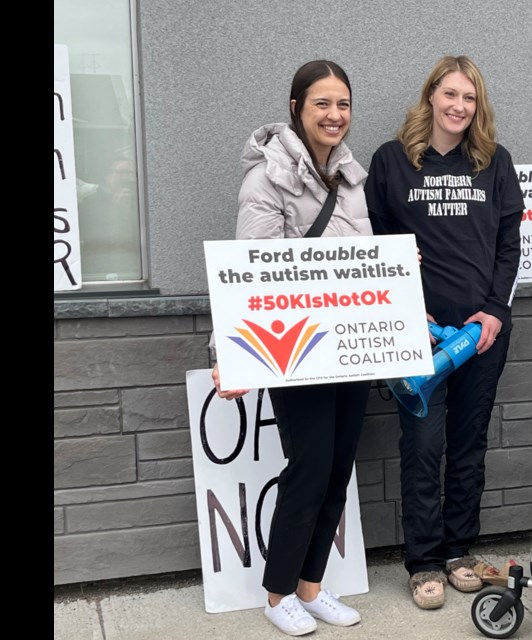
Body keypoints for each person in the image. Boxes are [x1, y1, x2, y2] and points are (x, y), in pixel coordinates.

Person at [210, 60, 370, 636]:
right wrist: (227, 352)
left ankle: (313, 586)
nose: (335, 115)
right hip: (296, 348)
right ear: (297, 107)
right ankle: (279, 594)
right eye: (323, 103)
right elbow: (248, 275)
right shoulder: (267, 179)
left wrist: (396, 274)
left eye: (344, 104)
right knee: (309, 467)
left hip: (351, 347)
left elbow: (361, 263)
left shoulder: (353, 178)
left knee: (338, 470)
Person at [364, 54, 524, 610]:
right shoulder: (392, 162)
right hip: (418, 334)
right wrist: (407, 311)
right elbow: (377, 247)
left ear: (478, 106)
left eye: (470, 97)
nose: (459, 106)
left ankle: (459, 552)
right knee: (422, 444)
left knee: (468, 444)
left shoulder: (495, 164)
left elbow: (509, 247)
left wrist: (494, 312)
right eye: (450, 94)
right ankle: (424, 560)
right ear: (430, 96)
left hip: (482, 332)